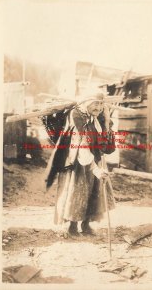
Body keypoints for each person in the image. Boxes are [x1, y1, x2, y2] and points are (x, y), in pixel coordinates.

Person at [45, 92, 116, 236]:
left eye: (101, 104)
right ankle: (72, 226)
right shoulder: (76, 116)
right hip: (77, 160)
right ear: (87, 103)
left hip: (94, 157)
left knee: (94, 190)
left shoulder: (98, 118)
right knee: (78, 192)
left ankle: (86, 224)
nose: (99, 107)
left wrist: (107, 121)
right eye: (95, 103)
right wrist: (96, 170)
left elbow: (105, 142)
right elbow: (82, 145)